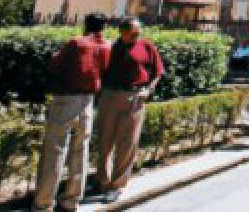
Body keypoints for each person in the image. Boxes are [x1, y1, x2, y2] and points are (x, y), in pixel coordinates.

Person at [33, 13, 110, 212]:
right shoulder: (107, 46)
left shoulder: (76, 43)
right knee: (80, 151)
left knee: (55, 150)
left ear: (86, 25)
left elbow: (55, 65)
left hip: (66, 100)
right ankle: (71, 201)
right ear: (104, 27)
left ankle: (43, 203)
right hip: (88, 102)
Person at [96, 18, 164, 203]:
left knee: (127, 142)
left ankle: (117, 185)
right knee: (105, 139)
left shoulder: (147, 46)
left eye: (138, 32)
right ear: (122, 32)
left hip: (135, 96)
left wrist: (149, 89)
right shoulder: (111, 48)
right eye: (133, 33)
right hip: (110, 95)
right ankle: (103, 181)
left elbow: (158, 71)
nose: (137, 35)